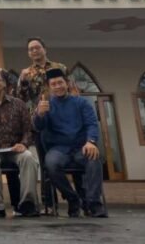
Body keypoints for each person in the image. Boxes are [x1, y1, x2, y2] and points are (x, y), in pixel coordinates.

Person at [33, 68, 107, 218]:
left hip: (81, 147)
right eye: (53, 84)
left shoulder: (82, 103)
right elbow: (39, 128)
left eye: (60, 82)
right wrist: (39, 114)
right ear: (49, 87)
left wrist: (91, 141)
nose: (58, 86)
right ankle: (72, 199)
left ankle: (93, 203)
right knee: (51, 164)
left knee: (94, 158)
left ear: (67, 83)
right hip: (58, 149)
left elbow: (92, 124)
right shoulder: (46, 105)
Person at [0, 68, 39, 218]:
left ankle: (27, 203)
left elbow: (28, 130)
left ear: (4, 83)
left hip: (14, 149)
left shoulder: (18, 104)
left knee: (29, 157)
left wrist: (24, 144)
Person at [16, 37, 70, 210]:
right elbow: (21, 98)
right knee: (45, 161)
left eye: (37, 47)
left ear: (44, 49)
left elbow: (70, 90)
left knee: (69, 158)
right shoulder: (27, 72)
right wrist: (23, 81)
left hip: (61, 119)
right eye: (31, 49)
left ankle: (77, 197)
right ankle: (49, 202)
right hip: (39, 121)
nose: (34, 51)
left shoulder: (59, 68)